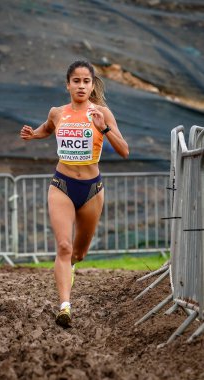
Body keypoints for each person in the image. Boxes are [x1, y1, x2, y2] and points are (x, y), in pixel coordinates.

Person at [20, 60, 129, 327]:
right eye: (76, 81)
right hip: (62, 185)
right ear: (68, 84)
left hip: (92, 189)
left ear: (92, 85)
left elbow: (125, 150)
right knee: (64, 246)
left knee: (78, 253)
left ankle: (72, 268)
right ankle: (65, 306)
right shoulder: (58, 112)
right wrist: (33, 134)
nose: (81, 86)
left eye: (86, 81)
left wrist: (103, 127)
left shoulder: (102, 112)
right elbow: (47, 128)